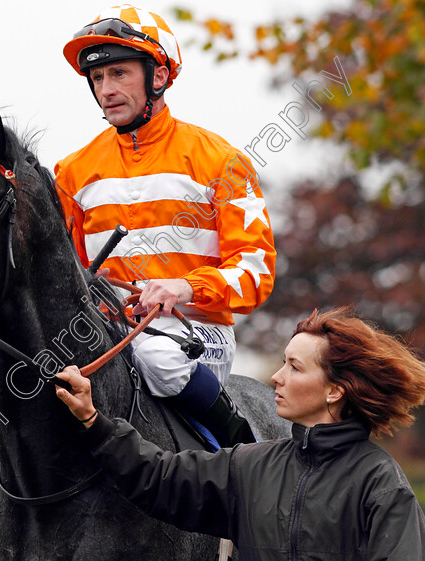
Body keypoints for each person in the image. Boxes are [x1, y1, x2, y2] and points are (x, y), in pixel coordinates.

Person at [54, 4, 277, 446]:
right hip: (106, 330)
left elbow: (257, 274)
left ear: (157, 75)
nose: (105, 89)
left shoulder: (222, 161)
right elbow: (68, 274)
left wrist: (184, 288)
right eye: (97, 78)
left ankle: (240, 447)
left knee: (154, 354)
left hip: (197, 330)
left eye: (118, 74)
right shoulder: (71, 173)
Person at [54, 308, 425, 560]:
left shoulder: (381, 484)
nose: (277, 376)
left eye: (295, 367)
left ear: (335, 390)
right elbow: (158, 478)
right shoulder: (250, 464)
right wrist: (93, 418)